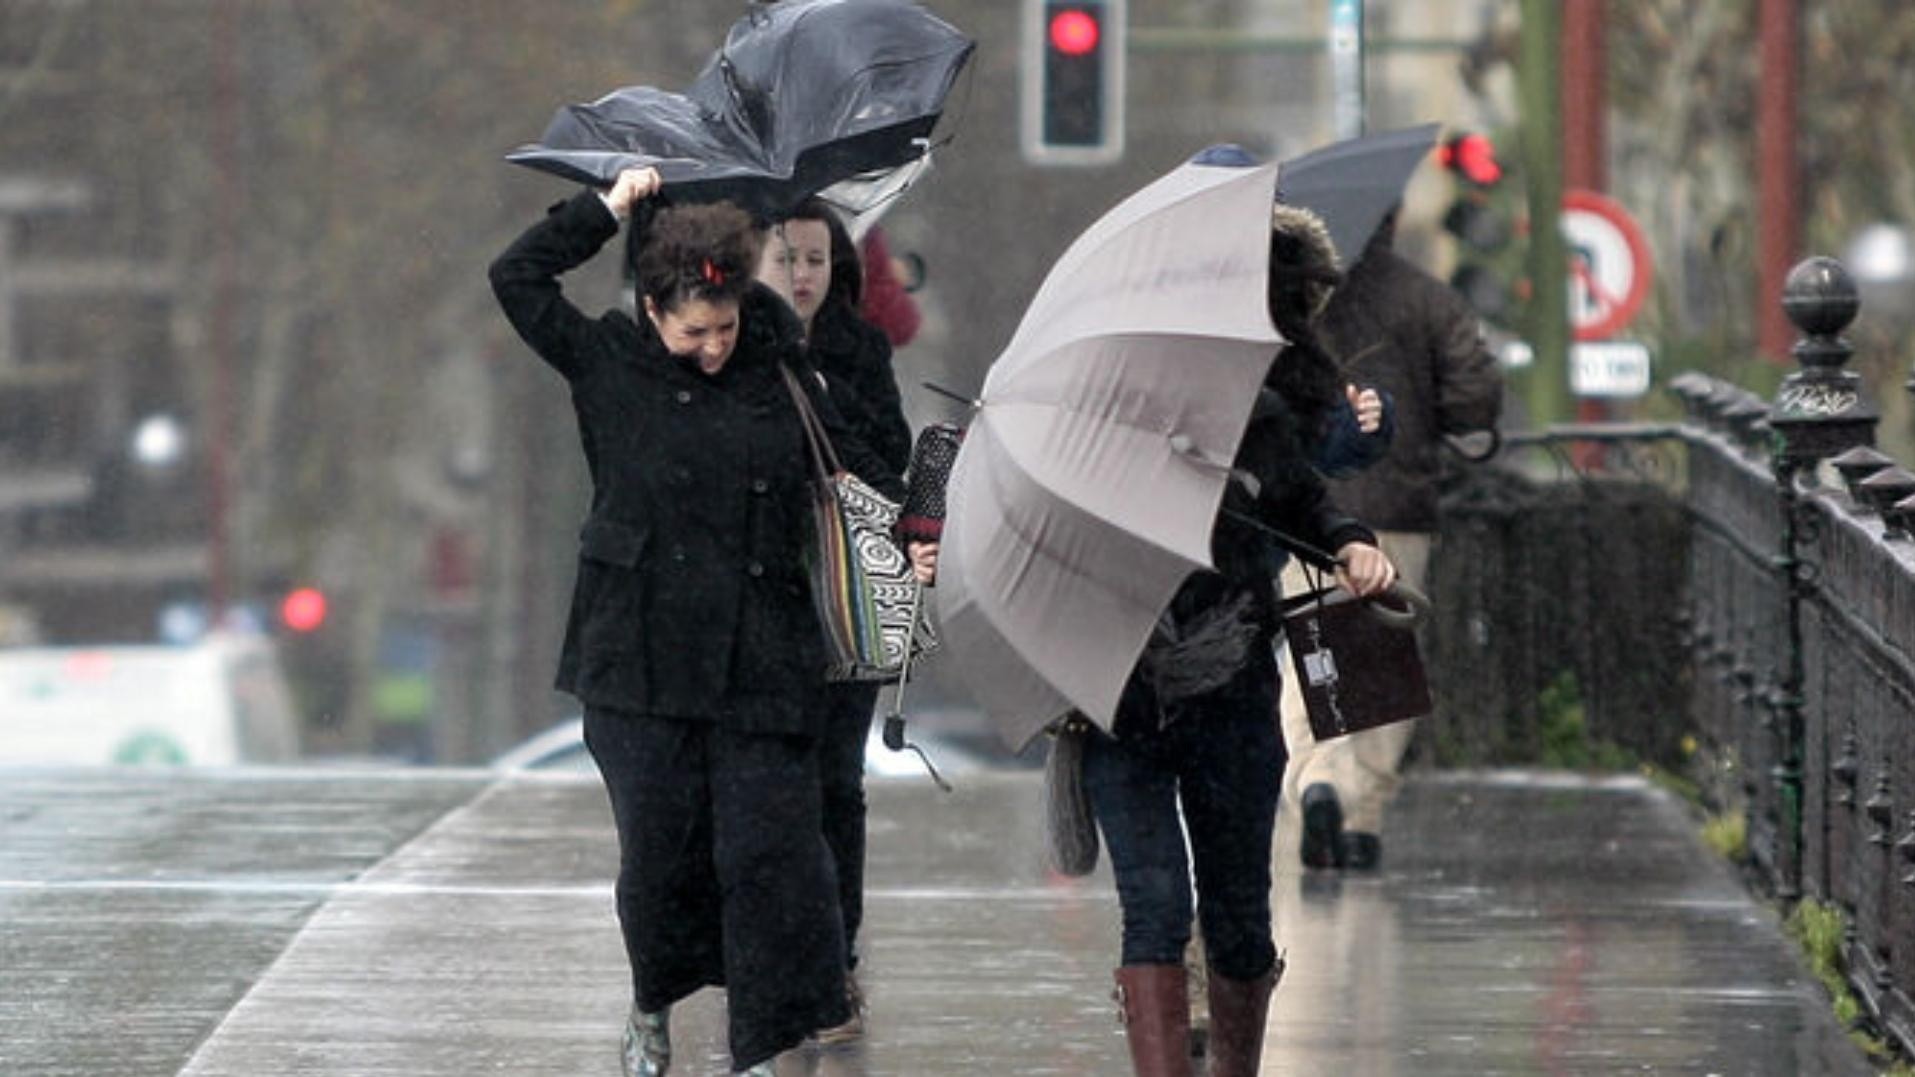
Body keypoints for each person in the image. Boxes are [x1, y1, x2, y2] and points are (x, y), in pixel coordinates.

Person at [908, 201, 1395, 1077]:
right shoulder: (1086, 416)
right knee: (1155, 907)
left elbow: (1300, 503)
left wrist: (1351, 542)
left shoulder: (1264, 414)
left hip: (1234, 695)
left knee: (1239, 918)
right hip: (1117, 700)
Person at [488, 167, 903, 1077]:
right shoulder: (604, 361)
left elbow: (863, 463)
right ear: (650, 310)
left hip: (763, 660)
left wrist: (921, 518)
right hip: (639, 661)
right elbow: (516, 278)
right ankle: (651, 1001)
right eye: (692, 333)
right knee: (660, 860)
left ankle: (761, 1043)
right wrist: (606, 211)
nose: (712, 347)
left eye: (724, 328)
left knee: (770, 858)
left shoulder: (783, 369)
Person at [1279, 206, 1504, 872]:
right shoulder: (1425, 298)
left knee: (1311, 652)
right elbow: (1475, 394)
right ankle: (1361, 814)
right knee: (1383, 669)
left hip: (1304, 510)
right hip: (1398, 506)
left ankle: (1318, 780)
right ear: (1394, 218)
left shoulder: (1292, 301)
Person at [756, 196, 913, 1044]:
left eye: (815, 258)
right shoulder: (730, 347)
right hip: (760, 600)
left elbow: (889, 460)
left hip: (845, 603)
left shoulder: (857, 349)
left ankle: (834, 963)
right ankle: (770, 956)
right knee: (765, 793)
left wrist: (819, 395)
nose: (802, 275)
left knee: (833, 787)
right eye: (785, 258)